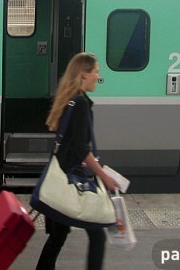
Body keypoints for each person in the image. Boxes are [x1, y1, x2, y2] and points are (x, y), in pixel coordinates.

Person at [36, 52, 118, 270]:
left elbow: (70, 143)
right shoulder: (80, 103)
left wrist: (82, 159)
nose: (98, 77)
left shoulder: (69, 101)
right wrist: (104, 176)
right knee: (97, 236)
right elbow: (82, 149)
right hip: (72, 181)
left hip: (61, 176)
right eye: (96, 72)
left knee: (57, 236)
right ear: (84, 74)